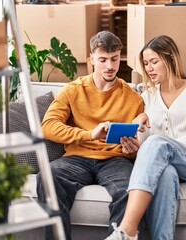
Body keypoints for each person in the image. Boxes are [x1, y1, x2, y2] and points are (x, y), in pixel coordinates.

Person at [36, 31, 144, 240]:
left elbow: (136, 143)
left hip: (115, 159)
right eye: (102, 60)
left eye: (114, 59)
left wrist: (132, 151)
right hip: (77, 158)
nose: (110, 66)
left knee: (130, 190)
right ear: (91, 59)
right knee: (48, 178)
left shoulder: (133, 98)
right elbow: (47, 126)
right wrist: (89, 134)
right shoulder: (73, 90)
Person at [105, 35, 186, 240]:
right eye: (146, 64)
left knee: (158, 144)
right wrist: (136, 142)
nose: (149, 69)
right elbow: (146, 142)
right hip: (165, 163)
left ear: (171, 58)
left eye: (154, 62)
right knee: (166, 174)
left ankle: (128, 229)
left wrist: (163, 147)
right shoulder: (147, 96)